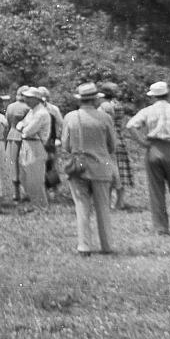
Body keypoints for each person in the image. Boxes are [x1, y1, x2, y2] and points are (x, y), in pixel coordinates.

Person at [125, 81, 170, 236]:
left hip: (154, 150)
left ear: (153, 97)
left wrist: (143, 142)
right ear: (168, 94)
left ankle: (161, 228)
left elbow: (130, 125)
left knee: (156, 191)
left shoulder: (147, 110)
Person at [59, 83, 118, 255]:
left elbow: (65, 145)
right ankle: (107, 245)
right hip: (101, 167)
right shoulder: (105, 118)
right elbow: (112, 146)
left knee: (82, 207)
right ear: (95, 99)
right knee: (103, 208)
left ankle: (84, 246)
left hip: (78, 167)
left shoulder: (70, 117)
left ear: (80, 100)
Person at [98, 82, 135, 210]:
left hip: (107, 139)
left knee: (109, 170)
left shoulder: (105, 106)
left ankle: (107, 202)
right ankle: (120, 202)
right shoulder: (118, 104)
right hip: (118, 137)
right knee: (120, 171)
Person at [15, 87, 52, 207]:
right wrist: (22, 127)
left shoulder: (41, 113)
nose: (25, 100)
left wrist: (22, 127)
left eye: (28, 98)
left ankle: (41, 205)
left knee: (35, 177)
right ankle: (34, 202)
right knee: (24, 176)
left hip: (36, 144)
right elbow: (20, 124)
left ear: (36, 99)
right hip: (27, 144)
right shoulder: (32, 111)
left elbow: (28, 130)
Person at [4, 86, 31, 201]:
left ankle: (16, 193)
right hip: (25, 137)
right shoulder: (28, 108)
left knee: (13, 164)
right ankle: (27, 192)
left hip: (12, 135)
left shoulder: (10, 106)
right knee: (26, 164)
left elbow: (7, 122)